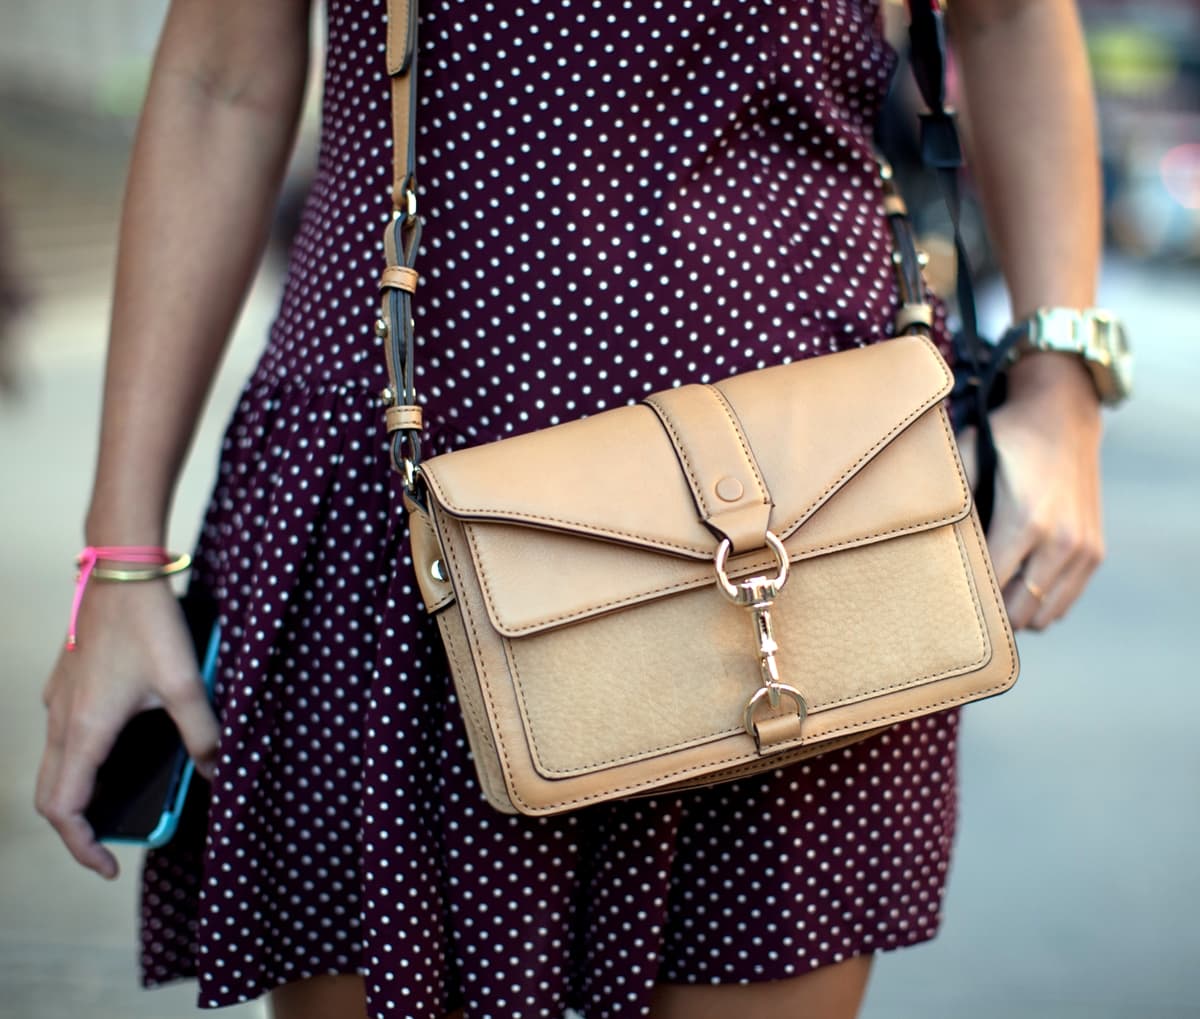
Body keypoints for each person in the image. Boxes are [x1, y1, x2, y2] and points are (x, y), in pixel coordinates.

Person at [35, 0, 1114, 1016]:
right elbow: (221, 75)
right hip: (402, 512)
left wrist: (1064, 388)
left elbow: (1013, 14)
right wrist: (120, 558)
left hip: (804, 517)